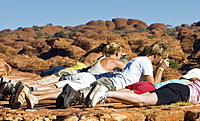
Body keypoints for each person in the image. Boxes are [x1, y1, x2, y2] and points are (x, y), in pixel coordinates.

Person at [9, 41, 170, 109]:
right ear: (157, 55)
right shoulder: (146, 62)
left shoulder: (137, 60)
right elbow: (153, 85)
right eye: (161, 59)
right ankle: (34, 96)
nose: (160, 62)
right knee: (76, 93)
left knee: (71, 91)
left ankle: (33, 95)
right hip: (113, 85)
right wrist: (161, 69)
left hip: (110, 81)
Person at [0, 41, 126, 108]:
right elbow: (130, 71)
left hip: (78, 74)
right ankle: (33, 97)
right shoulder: (114, 61)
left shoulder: (99, 59)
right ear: (116, 53)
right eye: (120, 54)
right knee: (63, 93)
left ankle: (22, 90)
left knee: (52, 86)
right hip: (88, 80)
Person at [84, 57, 200, 109]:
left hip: (179, 90)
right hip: (181, 93)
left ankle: (102, 96)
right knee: (141, 101)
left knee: (140, 97)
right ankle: (105, 93)